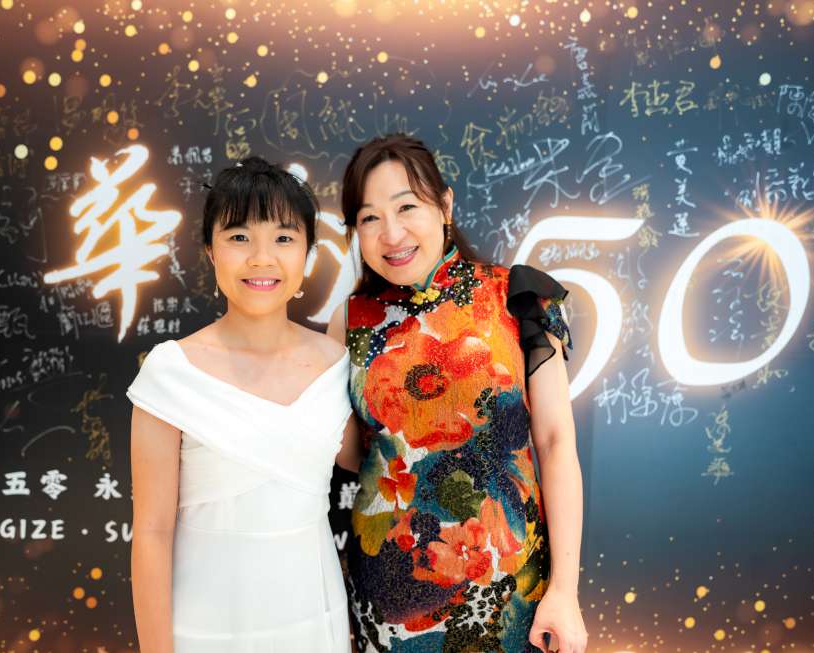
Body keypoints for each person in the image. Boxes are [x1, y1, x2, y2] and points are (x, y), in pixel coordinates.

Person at [328, 134, 589, 653]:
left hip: (509, 592)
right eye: (369, 218)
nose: (392, 233)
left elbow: (556, 442)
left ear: (444, 205)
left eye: (407, 207)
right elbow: (351, 457)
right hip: (391, 598)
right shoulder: (351, 321)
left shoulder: (517, 297)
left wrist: (565, 591)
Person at [126, 156, 355, 652]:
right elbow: (151, 532)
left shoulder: (336, 364)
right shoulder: (171, 373)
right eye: (239, 237)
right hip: (203, 628)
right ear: (211, 251)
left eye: (284, 238)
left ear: (308, 254)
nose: (261, 258)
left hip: (314, 621)